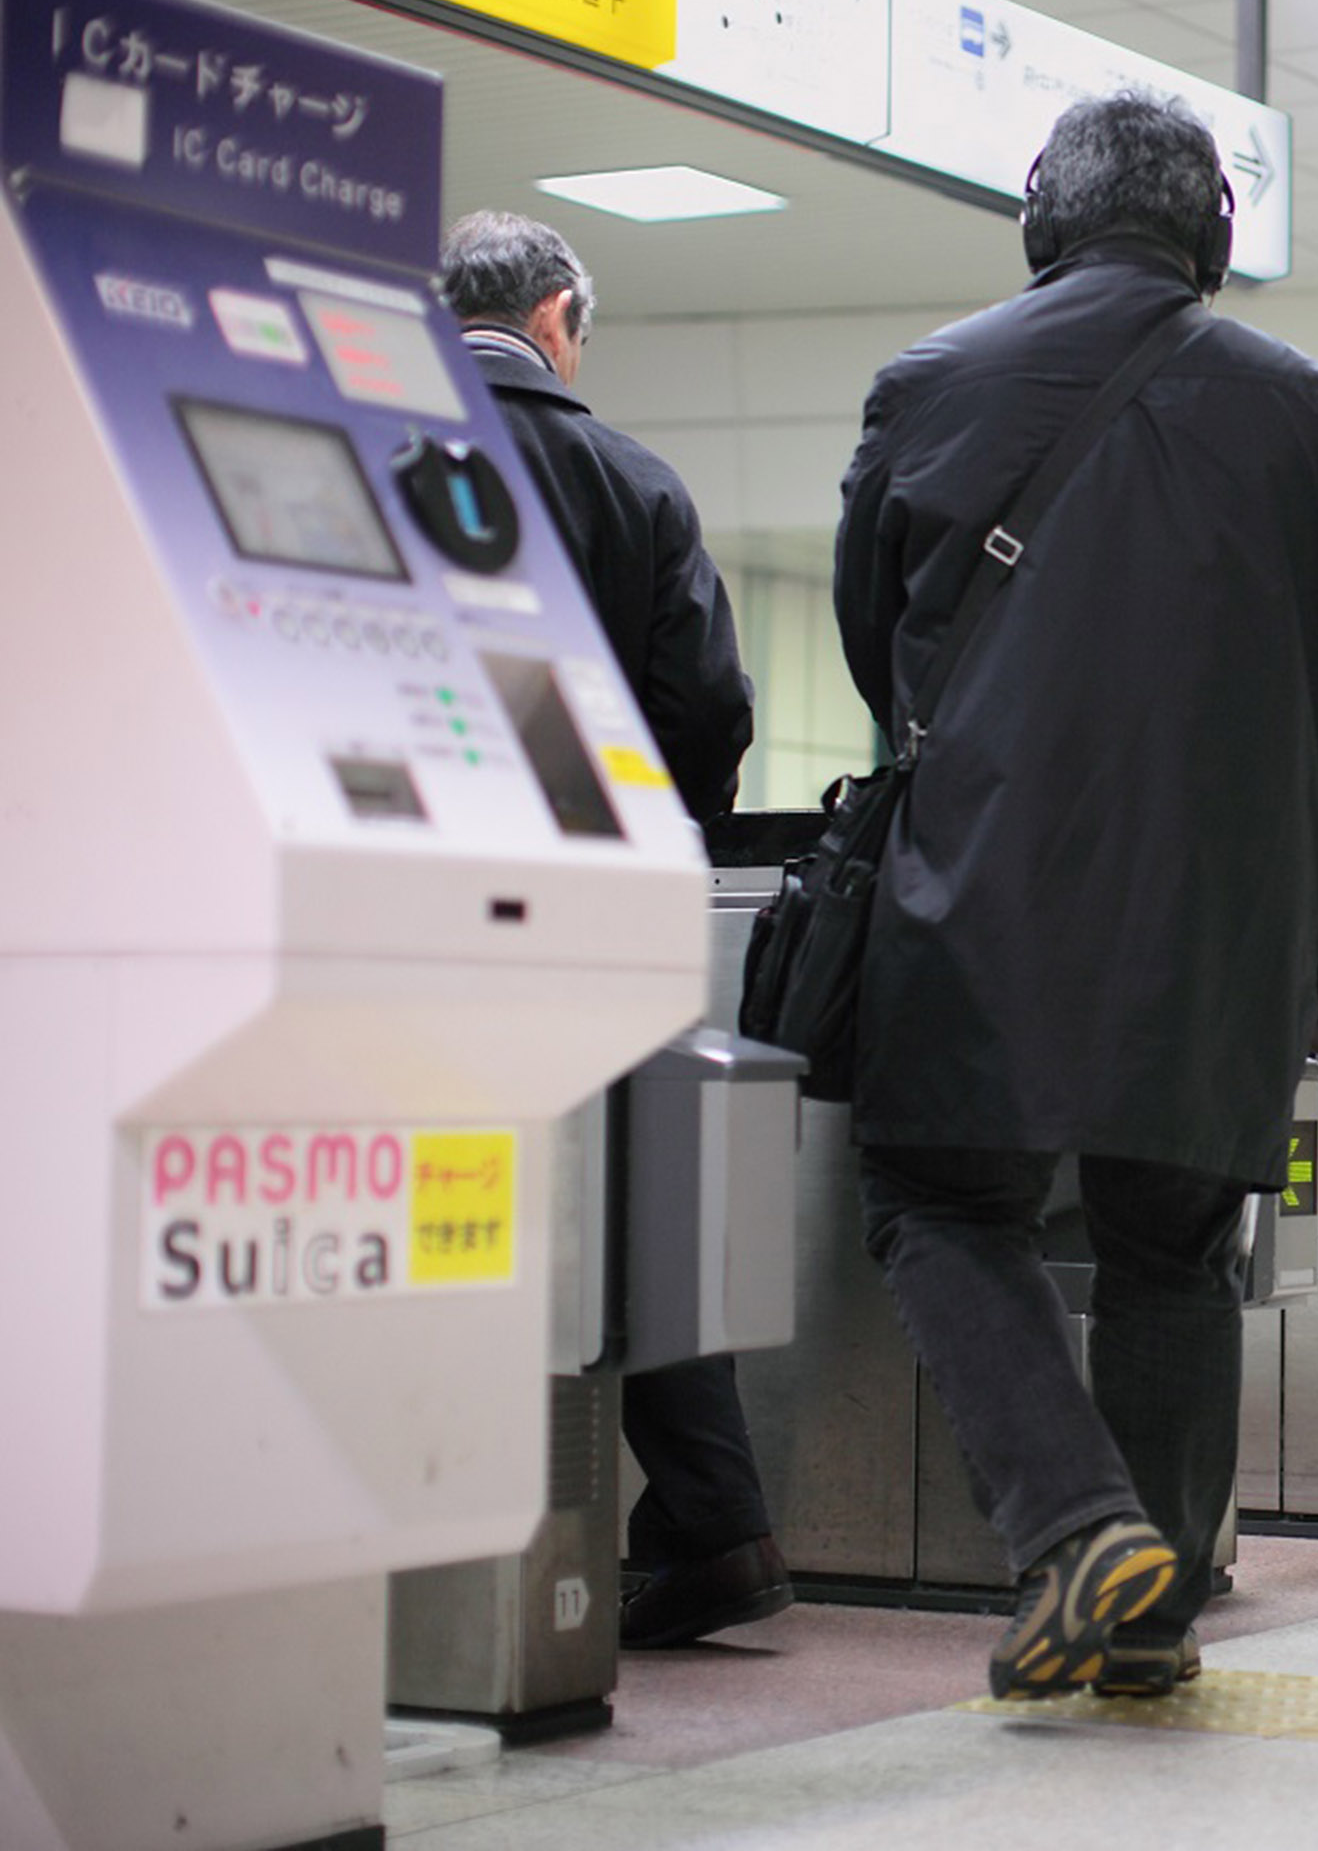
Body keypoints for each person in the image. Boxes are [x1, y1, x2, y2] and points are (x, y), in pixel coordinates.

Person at [833, 92, 1318, 1694]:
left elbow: (874, 636)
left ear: (1042, 215)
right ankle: (1151, 1621)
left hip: (991, 883)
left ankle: (1081, 1521)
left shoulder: (931, 383)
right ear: (1217, 234)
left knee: (939, 1196)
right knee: (1175, 1238)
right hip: (1230, 900)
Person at [441, 211, 786, 1650]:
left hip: (418, 897)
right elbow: (710, 712)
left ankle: (450, 1533)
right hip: (604, 903)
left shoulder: (382, 448)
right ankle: (714, 1519)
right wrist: (648, 830)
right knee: (632, 1199)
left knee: (449, 1198)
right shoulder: (634, 481)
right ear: (562, 316)